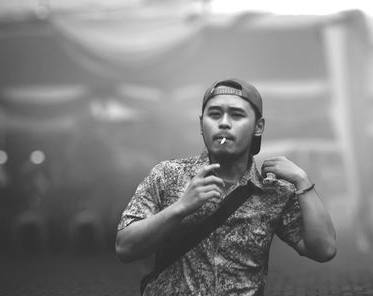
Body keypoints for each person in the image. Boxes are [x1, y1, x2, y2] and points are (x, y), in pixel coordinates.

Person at [115, 78, 336, 295]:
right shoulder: (167, 175)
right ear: (202, 125)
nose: (223, 123)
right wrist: (180, 208)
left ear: (258, 127)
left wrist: (303, 181)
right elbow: (125, 248)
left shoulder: (273, 192)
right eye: (214, 114)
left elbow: (323, 249)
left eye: (237, 115)